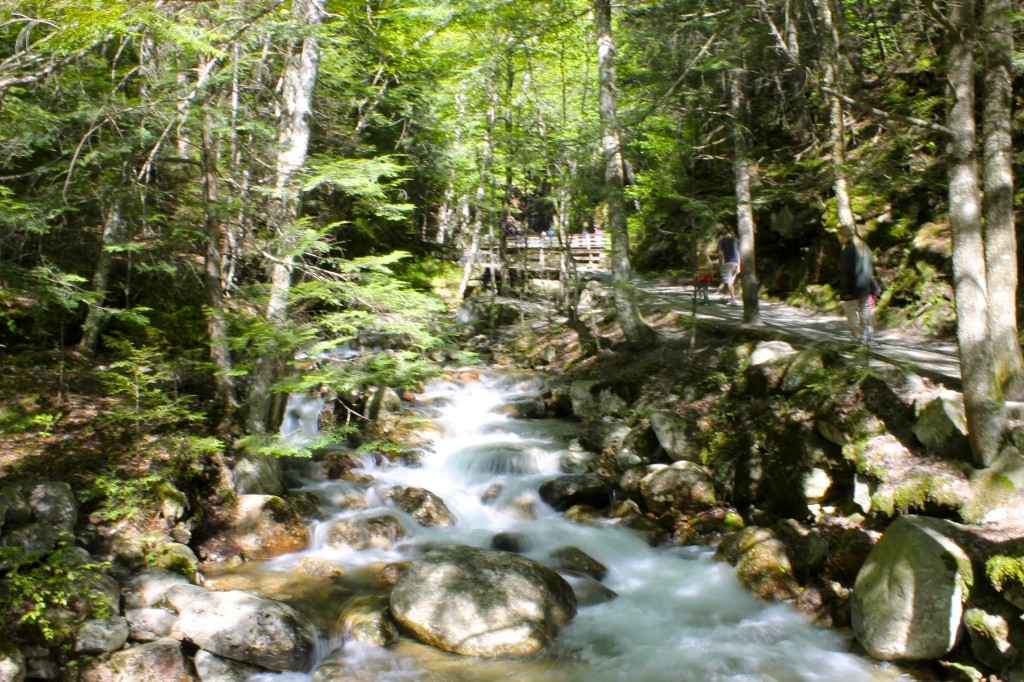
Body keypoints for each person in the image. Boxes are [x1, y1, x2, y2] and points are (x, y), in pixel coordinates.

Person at [838, 225, 877, 344]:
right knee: (865, 311)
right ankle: (869, 338)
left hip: (852, 288)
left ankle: (856, 337)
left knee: (851, 311)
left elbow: (846, 272)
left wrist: (845, 292)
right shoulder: (865, 247)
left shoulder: (847, 251)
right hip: (867, 286)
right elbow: (870, 269)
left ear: (843, 236)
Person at [715, 229, 741, 306]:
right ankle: (729, 298)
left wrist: (720, 265)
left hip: (728, 263)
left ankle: (733, 301)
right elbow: (739, 253)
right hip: (736, 263)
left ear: (721, 235)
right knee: (730, 282)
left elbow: (720, 254)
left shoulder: (721, 241)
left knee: (729, 282)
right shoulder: (735, 240)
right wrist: (739, 266)